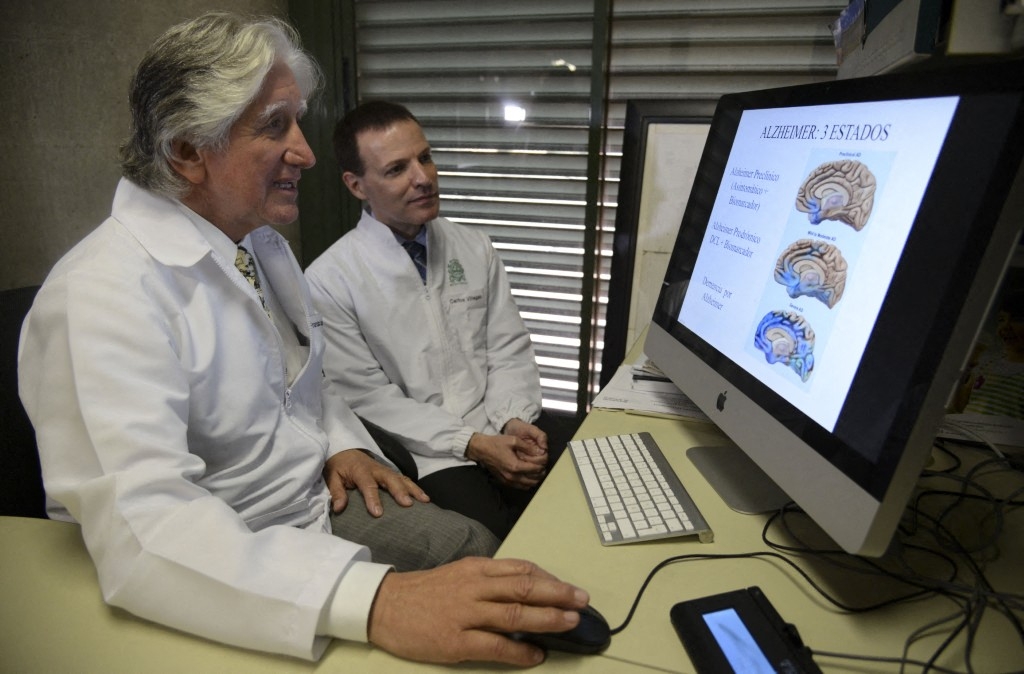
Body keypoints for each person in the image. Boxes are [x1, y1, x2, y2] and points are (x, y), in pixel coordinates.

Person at [17, 12, 588, 666]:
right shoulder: (100, 294)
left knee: (478, 557)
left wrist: (341, 443)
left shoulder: (258, 246)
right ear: (187, 152)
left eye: (297, 120)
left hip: (312, 501)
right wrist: (378, 603)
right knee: (477, 593)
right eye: (274, 126)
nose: (307, 153)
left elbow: (304, 380)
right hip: (227, 553)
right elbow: (147, 533)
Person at [306, 101, 557, 540]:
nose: (423, 178)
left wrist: (514, 420)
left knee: (583, 492)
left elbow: (507, 349)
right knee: (504, 540)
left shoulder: (473, 248)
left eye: (425, 157)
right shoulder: (329, 280)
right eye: (397, 169)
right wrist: (471, 444)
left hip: (498, 423)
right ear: (356, 185)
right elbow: (366, 397)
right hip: (428, 455)